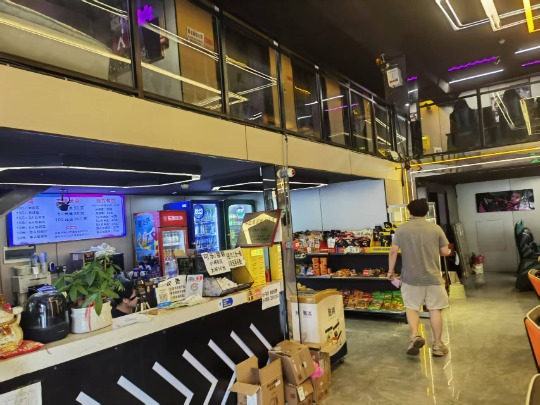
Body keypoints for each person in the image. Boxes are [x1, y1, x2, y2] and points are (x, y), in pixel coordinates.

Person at [388, 199, 451, 357]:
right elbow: (445, 251)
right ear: (426, 212)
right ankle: (437, 345)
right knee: (435, 310)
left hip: (410, 278)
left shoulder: (402, 229)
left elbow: (393, 251)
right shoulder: (435, 228)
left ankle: (415, 336)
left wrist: (390, 271)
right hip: (433, 277)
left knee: (412, 308)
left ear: (410, 212)